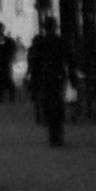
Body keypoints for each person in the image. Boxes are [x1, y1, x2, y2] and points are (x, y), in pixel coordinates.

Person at [27, 16, 67, 148]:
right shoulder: (60, 42)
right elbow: (68, 59)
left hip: (45, 78)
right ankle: (58, 135)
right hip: (57, 77)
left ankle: (53, 136)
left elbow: (34, 62)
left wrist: (33, 77)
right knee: (58, 105)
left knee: (48, 106)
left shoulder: (41, 43)